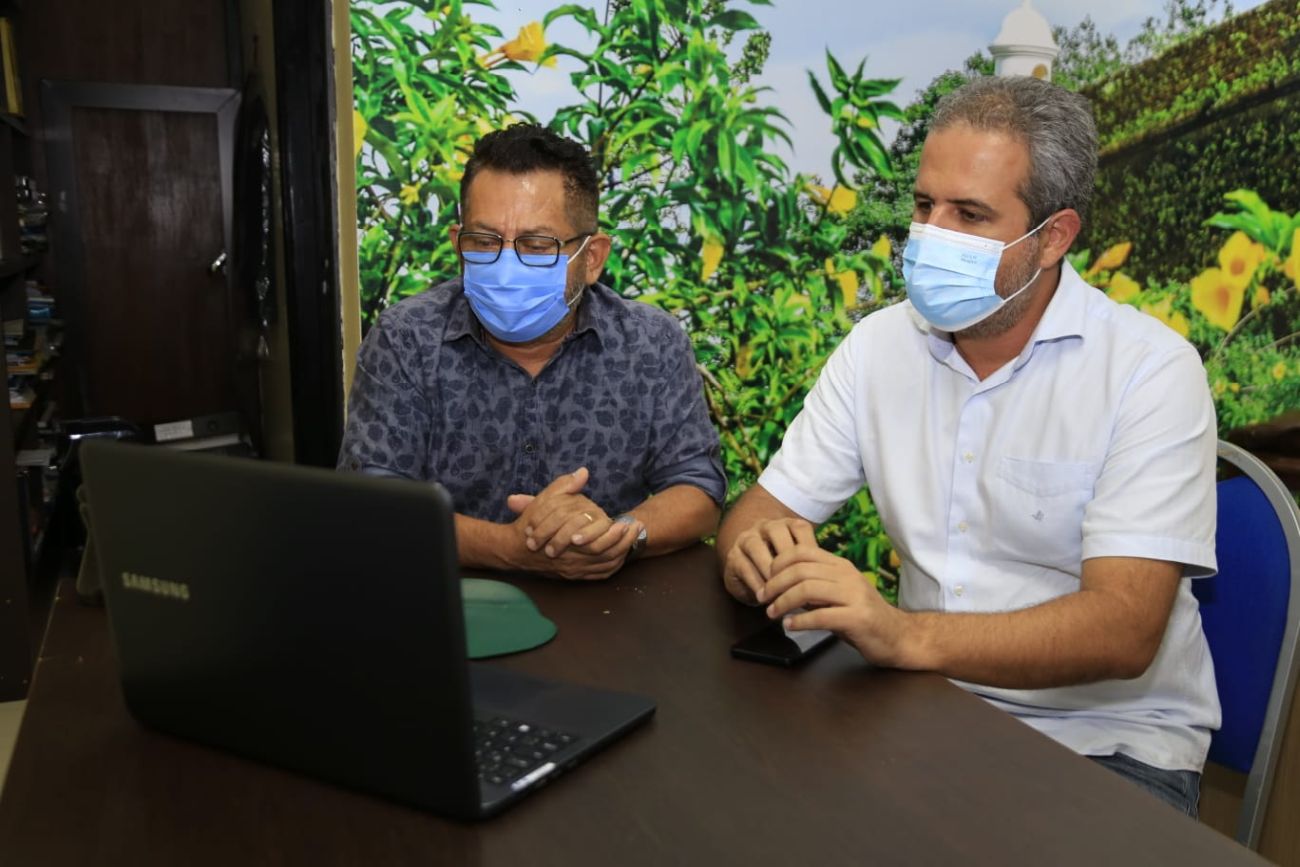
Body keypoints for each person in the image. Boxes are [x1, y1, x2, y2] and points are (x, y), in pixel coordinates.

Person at [717, 76, 1218, 816]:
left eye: (970, 214)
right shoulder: (877, 347)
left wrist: (902, 635)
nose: (930, 235)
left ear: (1053, 237)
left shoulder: (1151, 372)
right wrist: (757, 555)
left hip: (1103, 743)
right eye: (925, 206)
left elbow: (1124, 630)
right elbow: (756, 515)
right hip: (919, 706)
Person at [340, 123, 725, 580]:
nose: (506, 265)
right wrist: (510, 548)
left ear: (592, 258)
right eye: (484, 242)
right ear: (459, 247)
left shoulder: (652, 343)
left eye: (537, 245)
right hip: (447, 605)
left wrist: (614, 536)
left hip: (612, 607)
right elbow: (373, 504)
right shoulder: (406, 339)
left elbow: (698, 490)